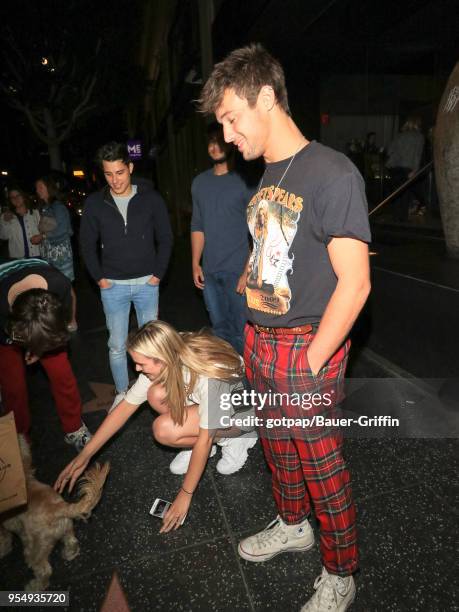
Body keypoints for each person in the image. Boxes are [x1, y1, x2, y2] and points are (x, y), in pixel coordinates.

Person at [199, 44, 371, 611]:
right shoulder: (271, 173)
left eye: (231, 117)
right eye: (221, 123)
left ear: (266, 98)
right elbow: (272, 255)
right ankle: (293, 525)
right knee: (279, 451)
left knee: (322, 466)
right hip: (261, 342)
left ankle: (341, 571)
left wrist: (313, 359)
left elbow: (356, 283)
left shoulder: (332, 172)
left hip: (304, 346)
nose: (226, 135)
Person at [55, 320, 258, 529]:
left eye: (141, 364)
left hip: (241, 413)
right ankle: (193, 441)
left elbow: (205, 440)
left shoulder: (208, 378)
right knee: (156, 394)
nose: (136, 368)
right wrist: (84, 455)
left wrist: (184, 495)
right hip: (210, 404)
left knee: (164, 429)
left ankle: (237, 440)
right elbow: (125, 408)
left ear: (161, 360)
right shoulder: (168, 353)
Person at [80, 142, 173, 412]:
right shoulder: (96, 203)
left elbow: (165, 238)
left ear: (130, 167)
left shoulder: (151, 198)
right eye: (108, 174)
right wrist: (99, 278)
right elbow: (86, 243)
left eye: (120, 172)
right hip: (113, 285)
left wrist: (157, 275)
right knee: (117, 345)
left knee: (153, 344)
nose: (115, 180)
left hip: (147, 283)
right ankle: (123, 393)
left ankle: (156, 389)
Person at [0, 257, 91, 450]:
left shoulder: (59, 286)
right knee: (12, 385)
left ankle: (74, 428)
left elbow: (66, 313)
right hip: (6, 329)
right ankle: (19, 436)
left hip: (41, 323)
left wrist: (42, 349)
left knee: (62, 373)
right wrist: (25, 344)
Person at [191, 123, 251, 355]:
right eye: (211, 142)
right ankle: (230, 380)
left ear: (231, 145)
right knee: (220, 331)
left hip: (237, 271)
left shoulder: (244, 182)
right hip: (210, 273)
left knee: (241, 332)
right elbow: (197, 225)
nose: (215, 147)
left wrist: (248, 271)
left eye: (220, 142)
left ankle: (249, 384)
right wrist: (195, 262)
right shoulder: (199, 183)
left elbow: (258, 231)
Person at [35, 175, 78, 331]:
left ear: (49, 188)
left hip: (61, 254)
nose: (38, 190)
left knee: (67, 287)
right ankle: (59, 320)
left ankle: (72, 319)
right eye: (37, 187)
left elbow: (65, 230)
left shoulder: (58, 207)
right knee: (53, 288)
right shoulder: (44, 208)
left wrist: (43, 236)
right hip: (49, 254)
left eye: (40, 187)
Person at [386, 116, 425, 221]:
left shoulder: (399, 136)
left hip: (393, 167)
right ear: (417, 124)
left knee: (396, 194)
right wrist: (415, 170)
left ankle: (395, 217)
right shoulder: (419, 137)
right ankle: (402, 219)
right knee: (405, 194)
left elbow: (389, 151)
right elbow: (417, 155)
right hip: (407, 168)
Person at [0, 187, 43, 259]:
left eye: (17, 195)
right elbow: (3, 236)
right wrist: (5, 222)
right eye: (12, 197)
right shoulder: (6, 216)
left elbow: (43, 231)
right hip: (18, 258)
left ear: (23, 196)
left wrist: (41, 236)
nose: (15, 198)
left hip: (37, 255)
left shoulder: (35, 213)